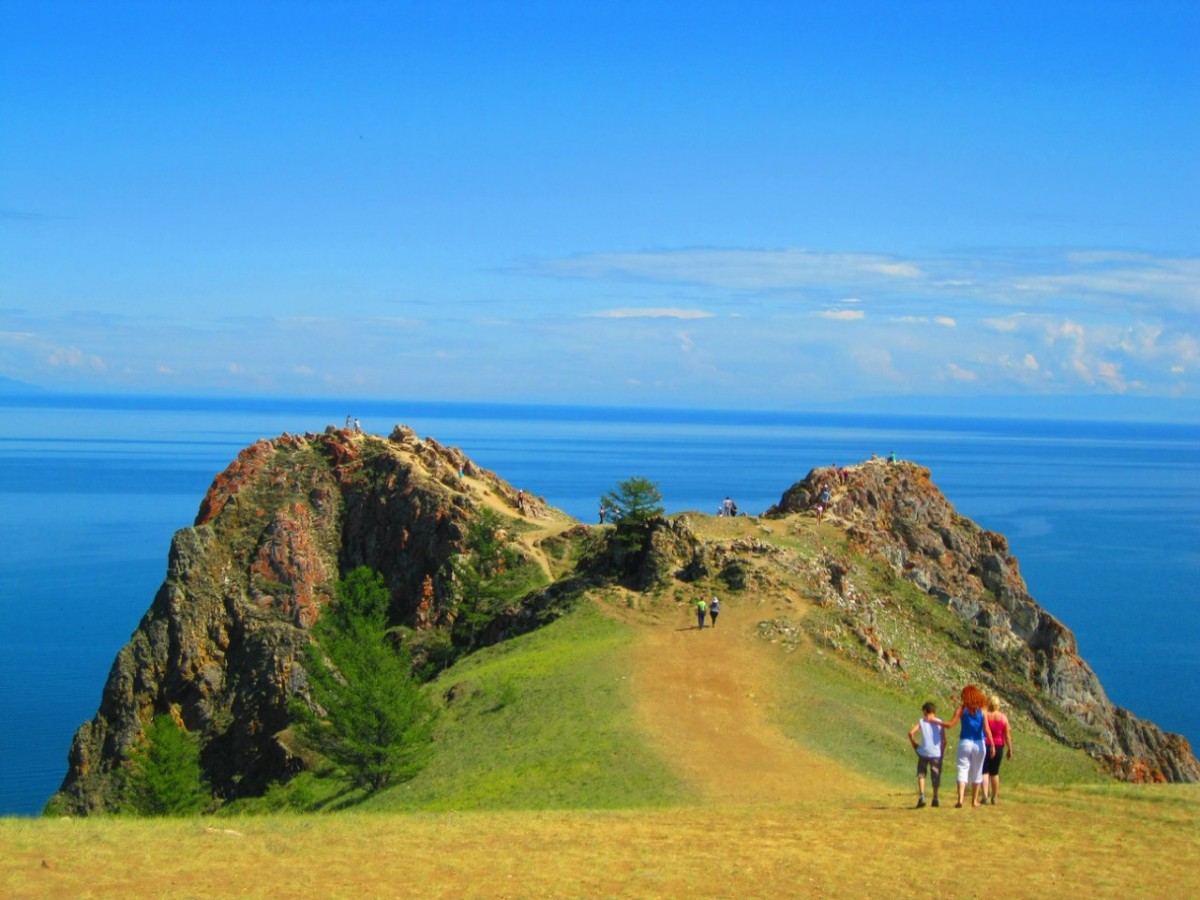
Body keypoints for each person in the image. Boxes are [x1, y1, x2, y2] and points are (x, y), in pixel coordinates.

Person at [942, 684, 994, 808]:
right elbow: (986, 729)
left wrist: (935, 722)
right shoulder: (983, 710)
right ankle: (974, 800)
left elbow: (950, 724)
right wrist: (991, 744)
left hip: (965, 742)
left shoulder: (961, 709)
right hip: (979, 743)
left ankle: (960, 799)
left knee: (962, 769)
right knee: (977, 771)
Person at [908, 701, 946, 808]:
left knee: (921, 774)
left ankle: (922, 796)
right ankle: (935, 798)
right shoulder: (940, 722)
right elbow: (943, 740)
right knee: (936, 776)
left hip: (924, 752)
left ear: (925, 711)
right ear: (934, 711)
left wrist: (914, 744)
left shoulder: (922, 721)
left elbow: (911, 733)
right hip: (936, 753)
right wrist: (942, 752)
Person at [983, 694, 1014, 804]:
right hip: (999, 745)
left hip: (986, 744)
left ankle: (985, 796)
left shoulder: (985, 716)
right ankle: (995, 796)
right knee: (994, 772)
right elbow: (1007, 735)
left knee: (985, 771)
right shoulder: (1003, 717)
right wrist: (1010, 748)